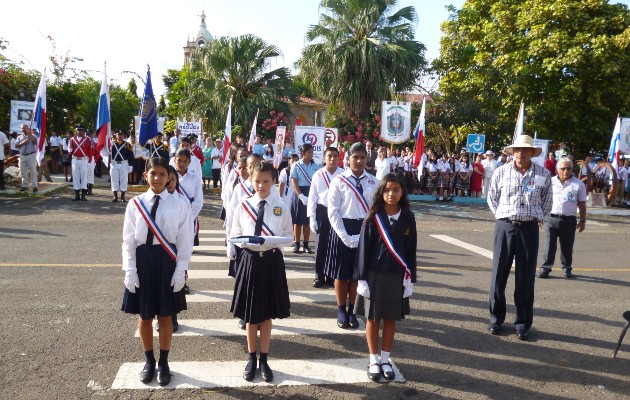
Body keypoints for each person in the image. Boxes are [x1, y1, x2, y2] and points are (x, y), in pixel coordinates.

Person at [121, 157, 192, 387]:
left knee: (165, 316)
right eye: (153, 174)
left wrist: (181, 270)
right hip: (143, 262)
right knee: (144, 316)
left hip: (166, 263)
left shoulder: (179, 204)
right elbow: (128, 240)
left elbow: (184, 241)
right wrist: (129, 269)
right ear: (146, 176)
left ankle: (164, 362)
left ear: (169, 178)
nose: (158, 178)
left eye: (163, 175)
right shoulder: (135, 204)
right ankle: (149, 361)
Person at [228, 161, 292, 383]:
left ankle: (264, 359)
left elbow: (288, 235)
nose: (261, 185)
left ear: (274, 180)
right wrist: (247, 243)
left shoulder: (281, 206)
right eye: (257, 180)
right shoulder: (243, 205)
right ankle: (251, 358)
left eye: (266, 181)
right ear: (250, 180)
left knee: (265, 315)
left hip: (271, 262)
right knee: (250, 315)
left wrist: (271, 241)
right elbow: (235, 233)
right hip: (250, 261)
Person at [487, 135, 552, 340]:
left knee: (525, 278)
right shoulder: (501, 172)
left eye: (525, 149)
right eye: (516, 149)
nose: (520, 152)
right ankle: (496, 319)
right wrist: (503, 216)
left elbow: (547, 201)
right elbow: (492, 198)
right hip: (505, 226)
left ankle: (523, 323)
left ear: (532, 152)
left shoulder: (544, 174)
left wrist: (537, 216)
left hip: (529, 229)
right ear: (512, 151)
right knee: (499, 274)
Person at [354, 173, 417, 381]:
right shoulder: (373, 217)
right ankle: (373, 359)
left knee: (391, 319)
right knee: (372, 318)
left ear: (402, 192)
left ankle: (385, 359)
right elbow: (363, 249)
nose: (391, 194)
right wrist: (361, 278)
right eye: (387, 190)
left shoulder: (408, 217)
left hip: (397, 276)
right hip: (374, 275)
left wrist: (410, 278)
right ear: (381, 192)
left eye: (396, 190)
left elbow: (410, 251)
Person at [325, 142, 379, 330]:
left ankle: (351, 310)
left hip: (364, 228)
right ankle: (341, 309)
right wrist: (345, 236)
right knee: (341, 273)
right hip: (342, 228)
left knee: (357, 274)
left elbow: (376, 210)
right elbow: (333, 212)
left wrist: (370, 234)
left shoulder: (374, 181)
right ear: (347, 159)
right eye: (355, 157)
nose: (359, 161)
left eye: (362, 157)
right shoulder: (339, 181)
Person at [537, 159, 587, 279]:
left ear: (572, 170)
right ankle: (546, 268)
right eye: (563, 168)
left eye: (568, 168)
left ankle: (567, 268)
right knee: (549, 245)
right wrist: (539, 216)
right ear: (557, 170)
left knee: (567, 246)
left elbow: (582, 203)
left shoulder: (578, 184)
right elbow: (540, 199)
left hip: (568, 220)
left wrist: (583, 220)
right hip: (550, 218)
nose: (565, 171)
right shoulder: (550, 182)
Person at [308, 147, 343, 288]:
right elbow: (312, 197)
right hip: (322, 211)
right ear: (324, 159)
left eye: (335, 156)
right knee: (321, 244)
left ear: (339, 158)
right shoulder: (318, 174)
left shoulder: (343, 174)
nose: (332, 159)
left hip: (338, 212)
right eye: (329, 156)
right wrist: (312, 217)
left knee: (335, 244)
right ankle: (319, 275)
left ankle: (331, 274)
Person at [290, 143, 319, 253]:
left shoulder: (316, 166)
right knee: (297, 221)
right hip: (299, 193)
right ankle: (297, 244)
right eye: (309, 152)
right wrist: (301, 195)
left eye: (312, 152)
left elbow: (316, 183)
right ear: (303, 153)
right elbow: (294, 182)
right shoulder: (296, 165)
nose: (311, 154)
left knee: (307, 220)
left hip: (311, 192)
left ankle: (306, 244)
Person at [69, 125, 92, 200]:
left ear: (83, 131)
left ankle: (83, 195)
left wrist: (90, 160)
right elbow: (70, 148)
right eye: (78, 130)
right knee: (76, 177)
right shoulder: (72, 139)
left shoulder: (87, 140)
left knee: (84, 177)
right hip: (75, 159)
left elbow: (90, 151)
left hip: (84, 160)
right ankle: (77, 195)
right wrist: (70, 152)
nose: (79, 132)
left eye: (81, 130)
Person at [110, 130, 134, 202]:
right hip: (114, 164)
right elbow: (109, 155)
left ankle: (123, 196)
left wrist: (131, 165)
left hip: (124, 164)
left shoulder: (127, 144)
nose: (120, 136)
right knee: (114, 180)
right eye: (118, 135)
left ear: (123, 136)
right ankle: (115, 196)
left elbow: (131, 156)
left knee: (124, 180)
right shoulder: (112, 144)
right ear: (116, 135)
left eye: (121, 135)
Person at [16, 124, 39, 193]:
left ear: (28, 128)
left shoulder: (33, 136)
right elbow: (16, 145)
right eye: (22, 128)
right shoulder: (19, 137)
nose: (23, 130)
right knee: (23, 171)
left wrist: (31, 137)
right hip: (22, 155)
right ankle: (24, 186)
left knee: (33, 171)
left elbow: (36, 143)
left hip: (31, 155)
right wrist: (23, 142)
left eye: (24, 128)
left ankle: (34, 186)